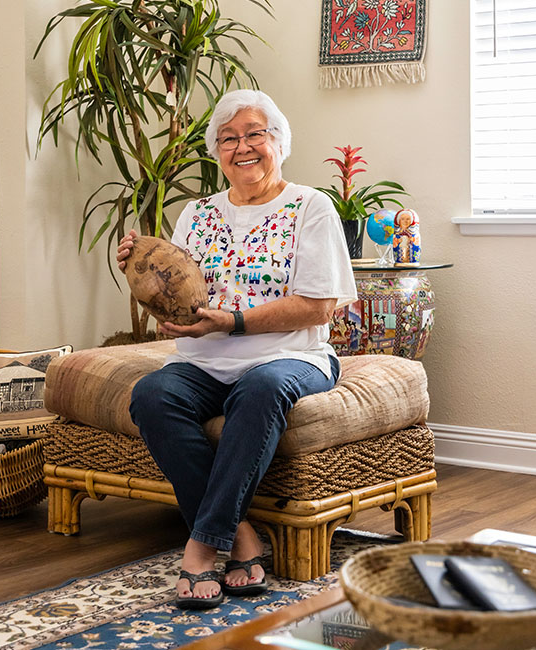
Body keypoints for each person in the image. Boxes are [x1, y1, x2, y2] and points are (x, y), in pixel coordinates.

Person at [117, 89, 357, 609]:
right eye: (229, 138)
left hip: (294, 357)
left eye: (255, 134)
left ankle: (203, 546)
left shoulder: (310, 206)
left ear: (278, 142)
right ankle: (240, 536)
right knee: (153, 393)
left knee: (262, 387)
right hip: (204, 361)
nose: (242, 146)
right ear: (217, 152)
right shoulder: (196, 213)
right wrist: (141, 270)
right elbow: (176, 294)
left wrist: (234, 321)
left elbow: (319, 307)